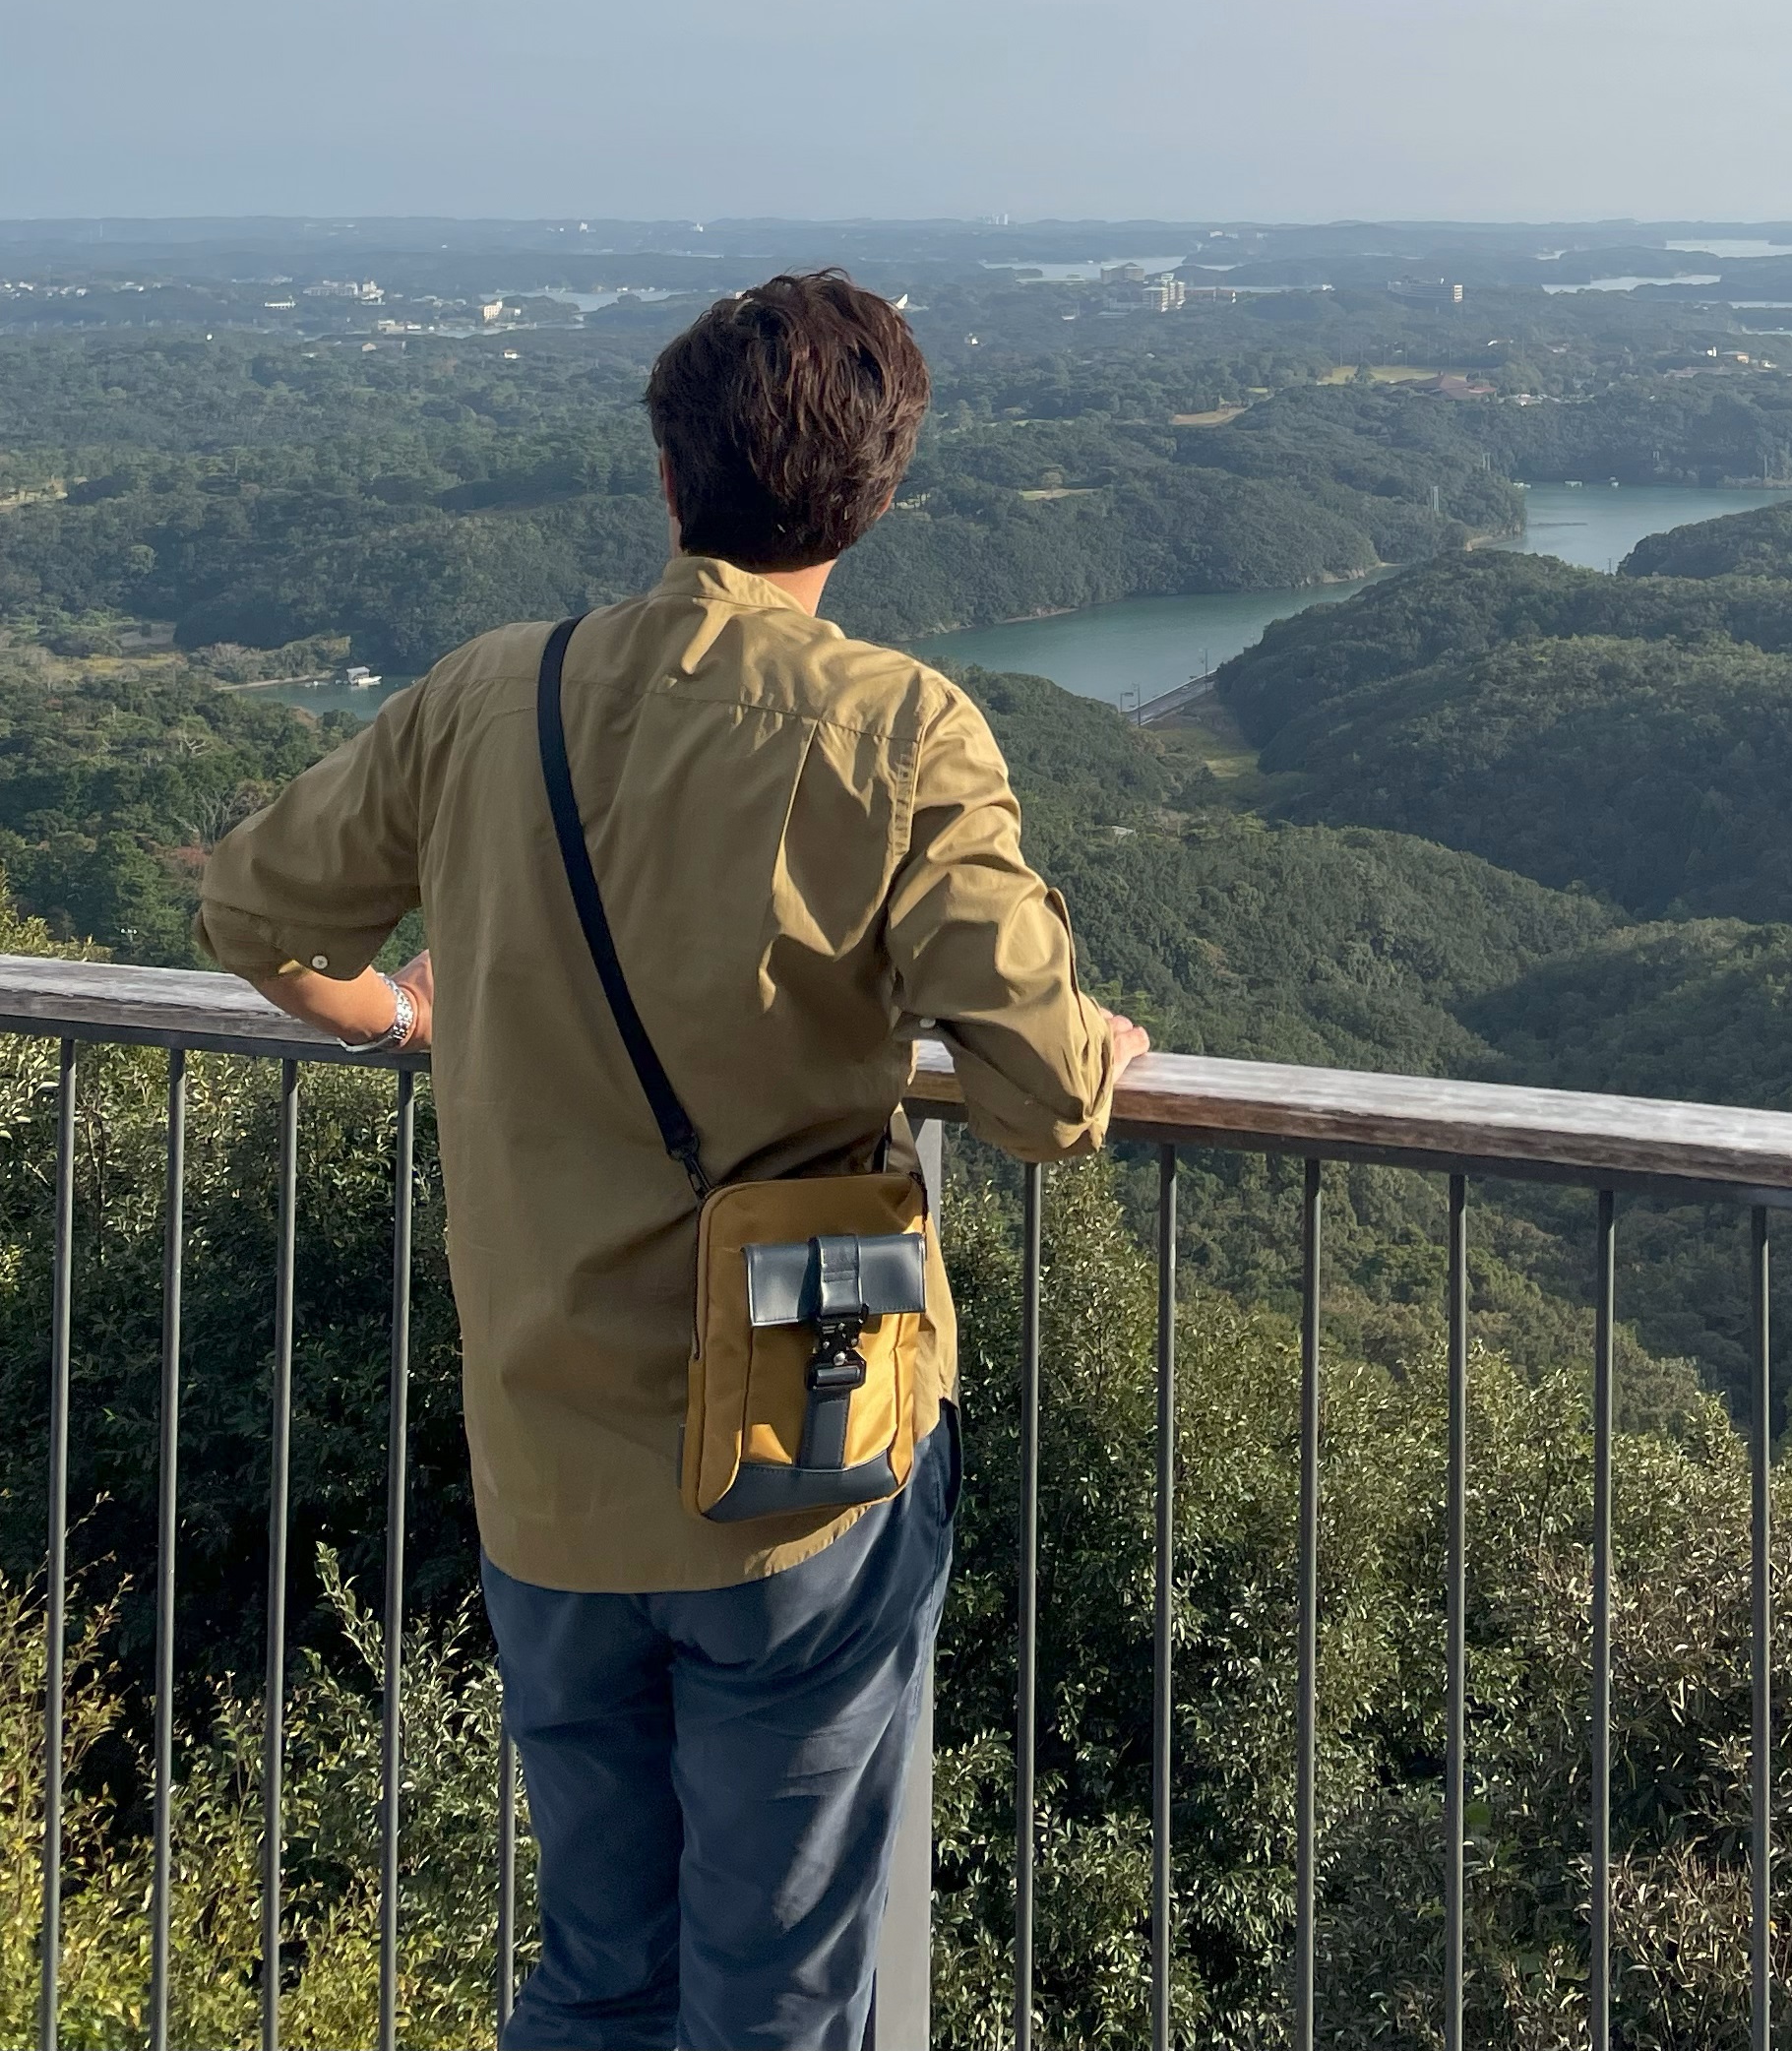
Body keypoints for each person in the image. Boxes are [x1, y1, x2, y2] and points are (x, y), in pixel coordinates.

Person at [197, 270, 1148, 2051]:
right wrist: (1103, 1053)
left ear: (664, 477)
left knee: (595, 1972)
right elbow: (1034, 1089)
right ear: (877, 496)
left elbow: (248, 903)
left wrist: (393, 1018)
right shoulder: (900, 728)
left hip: (547, 1445)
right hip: (802, 1436)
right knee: (780, 1984)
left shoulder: (491, 698)